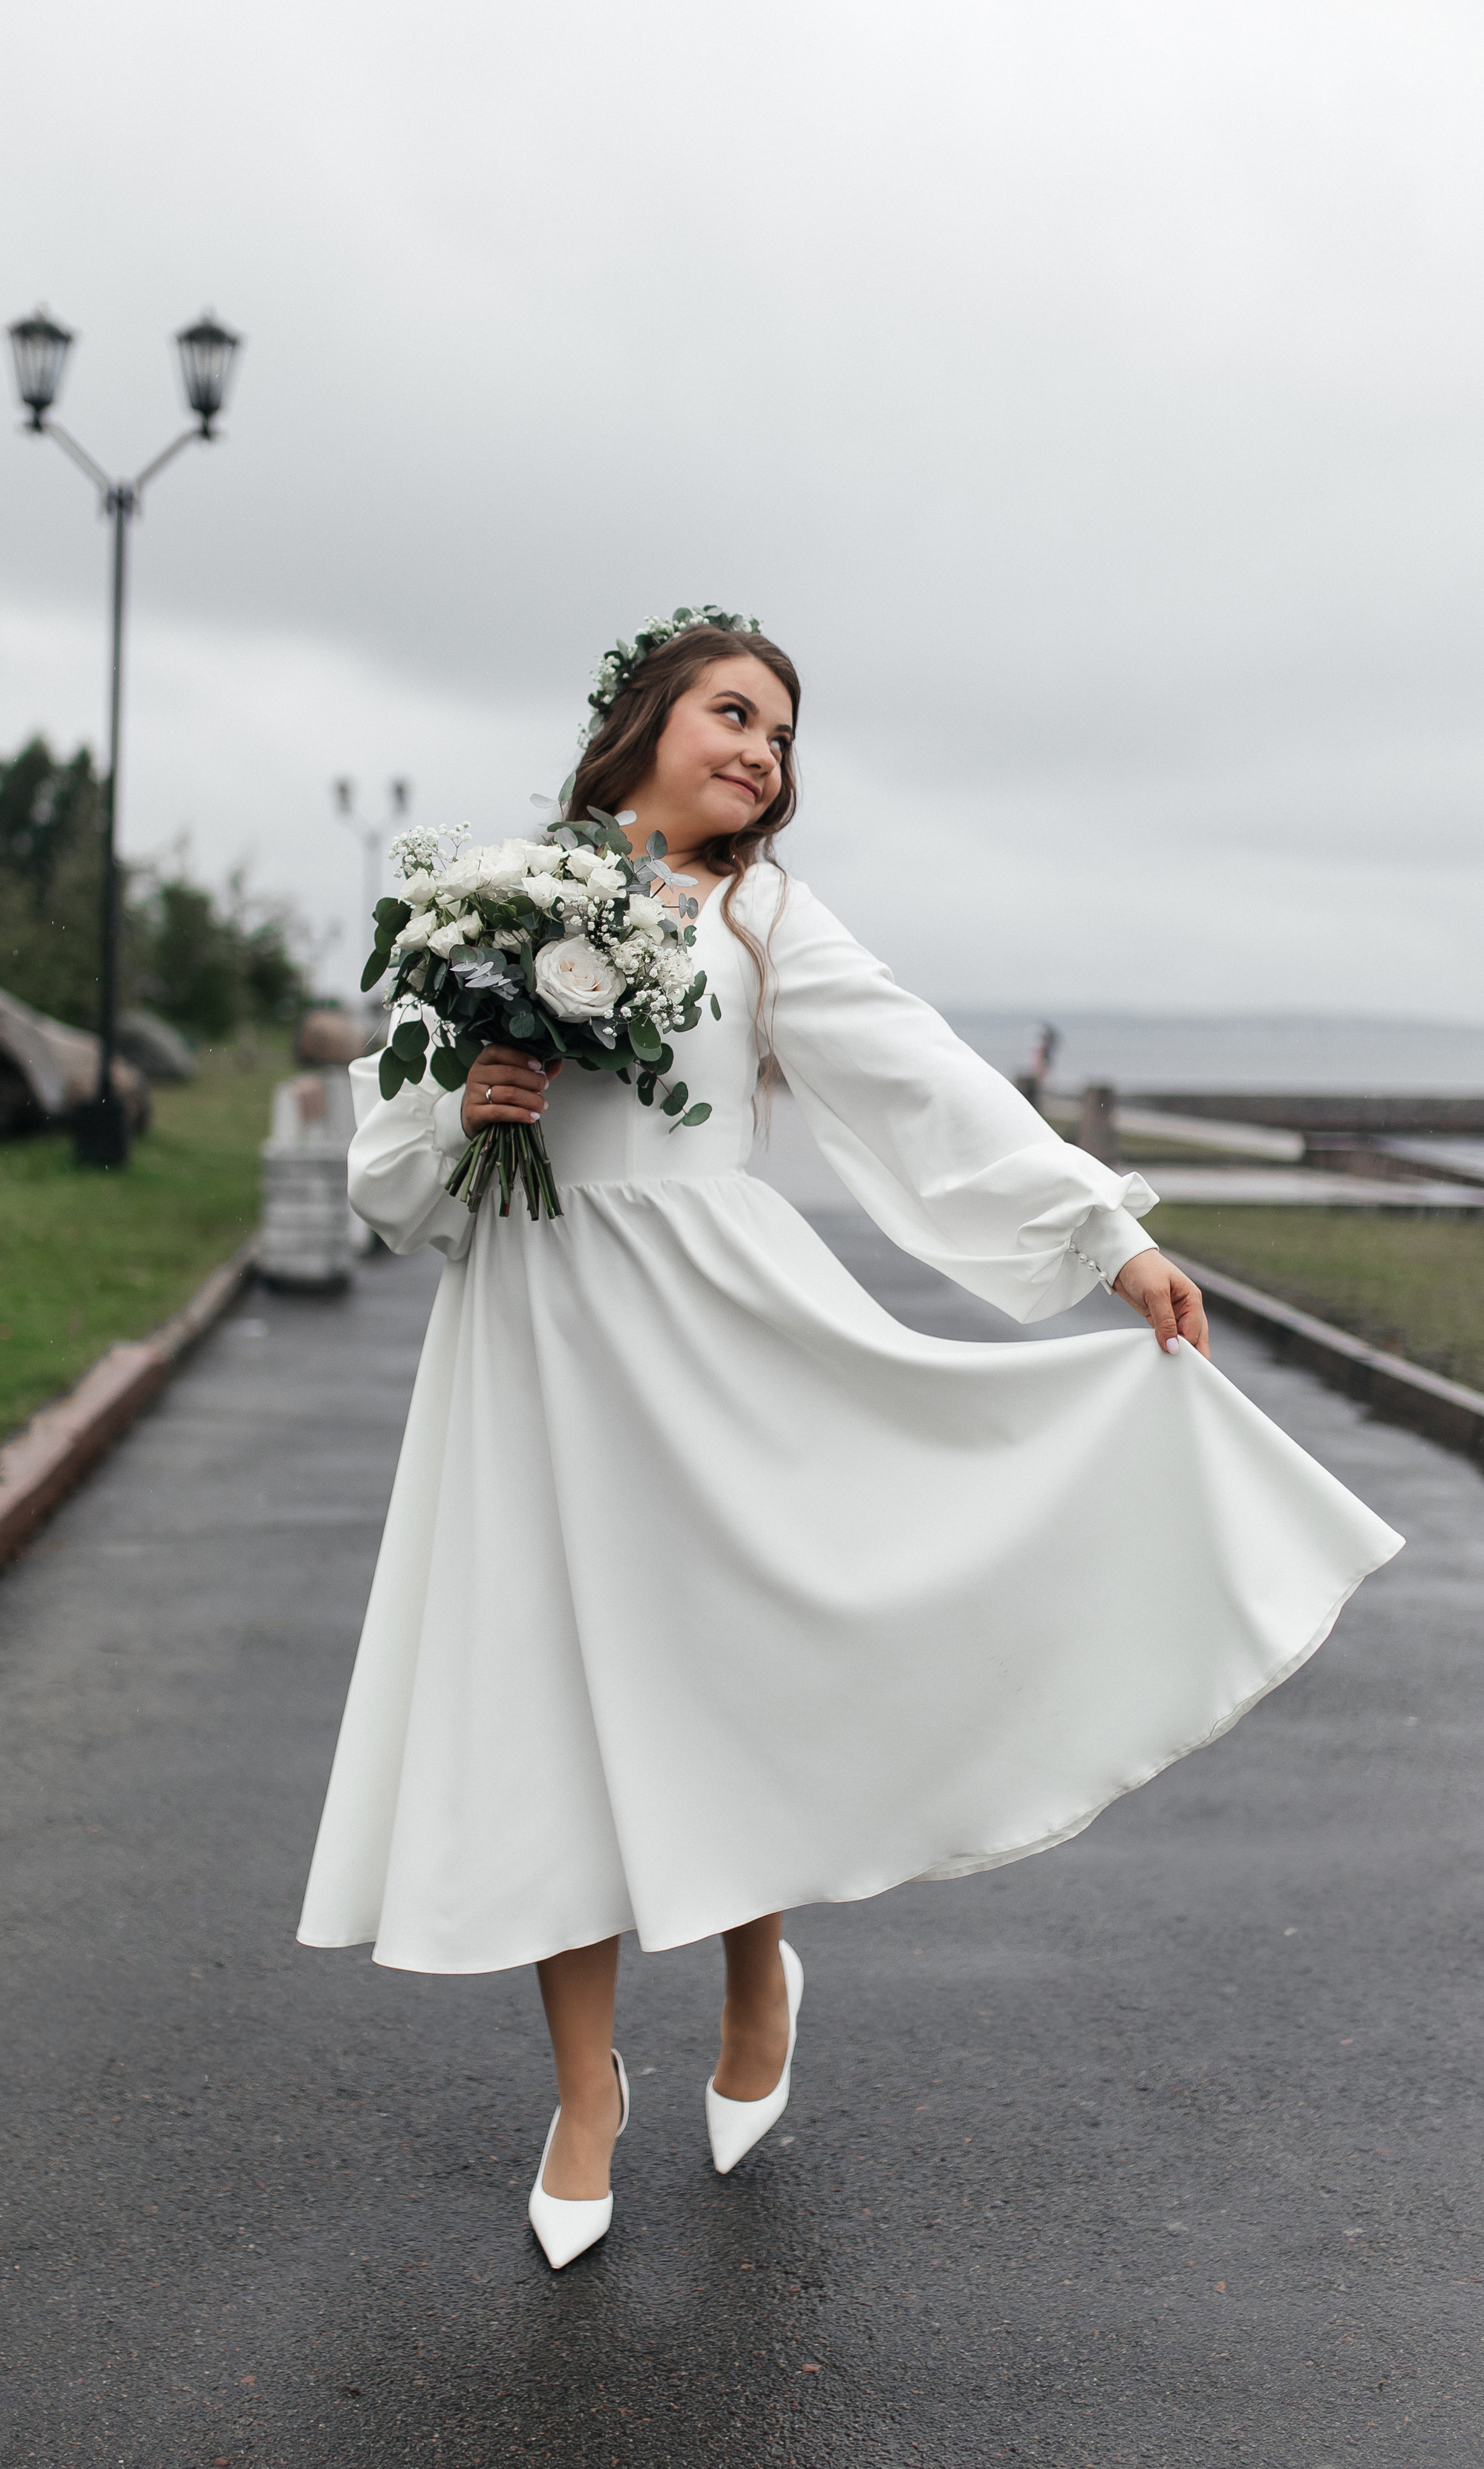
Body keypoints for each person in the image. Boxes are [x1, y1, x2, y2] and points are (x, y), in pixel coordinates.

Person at [296, 612, 1401, 2269]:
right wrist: (468, 1113)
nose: (762, 753)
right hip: (528, 1335)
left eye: (783, 734)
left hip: (715, 1333)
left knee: (724, 1671)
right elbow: (388, 1169)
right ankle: (586, 2093)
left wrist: (1105, 1237)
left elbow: (921, 1080)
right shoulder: (488, 906)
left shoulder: (760, 915)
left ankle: (758, 1969)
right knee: (537, 1699)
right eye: (734, 713)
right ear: (643, 720)